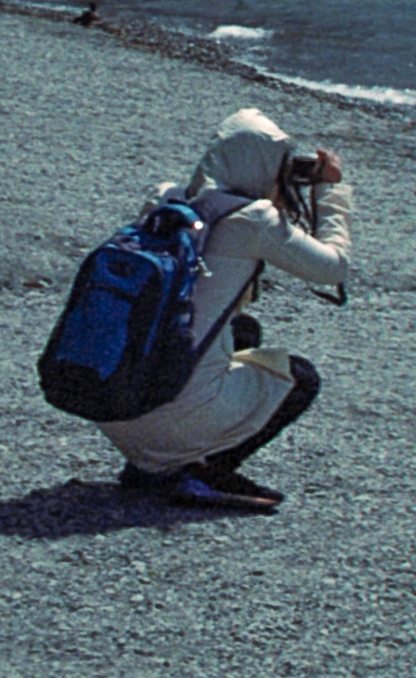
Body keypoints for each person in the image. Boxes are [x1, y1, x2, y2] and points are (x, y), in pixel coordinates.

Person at [97, 109, 353, 509]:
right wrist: (328, 192)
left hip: (113, 396)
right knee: (300, 378)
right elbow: (332, 268)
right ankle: (199, 473)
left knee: (242, 331)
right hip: (164, 412)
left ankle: (149, 461)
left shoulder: (166, 199)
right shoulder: (253, 221)